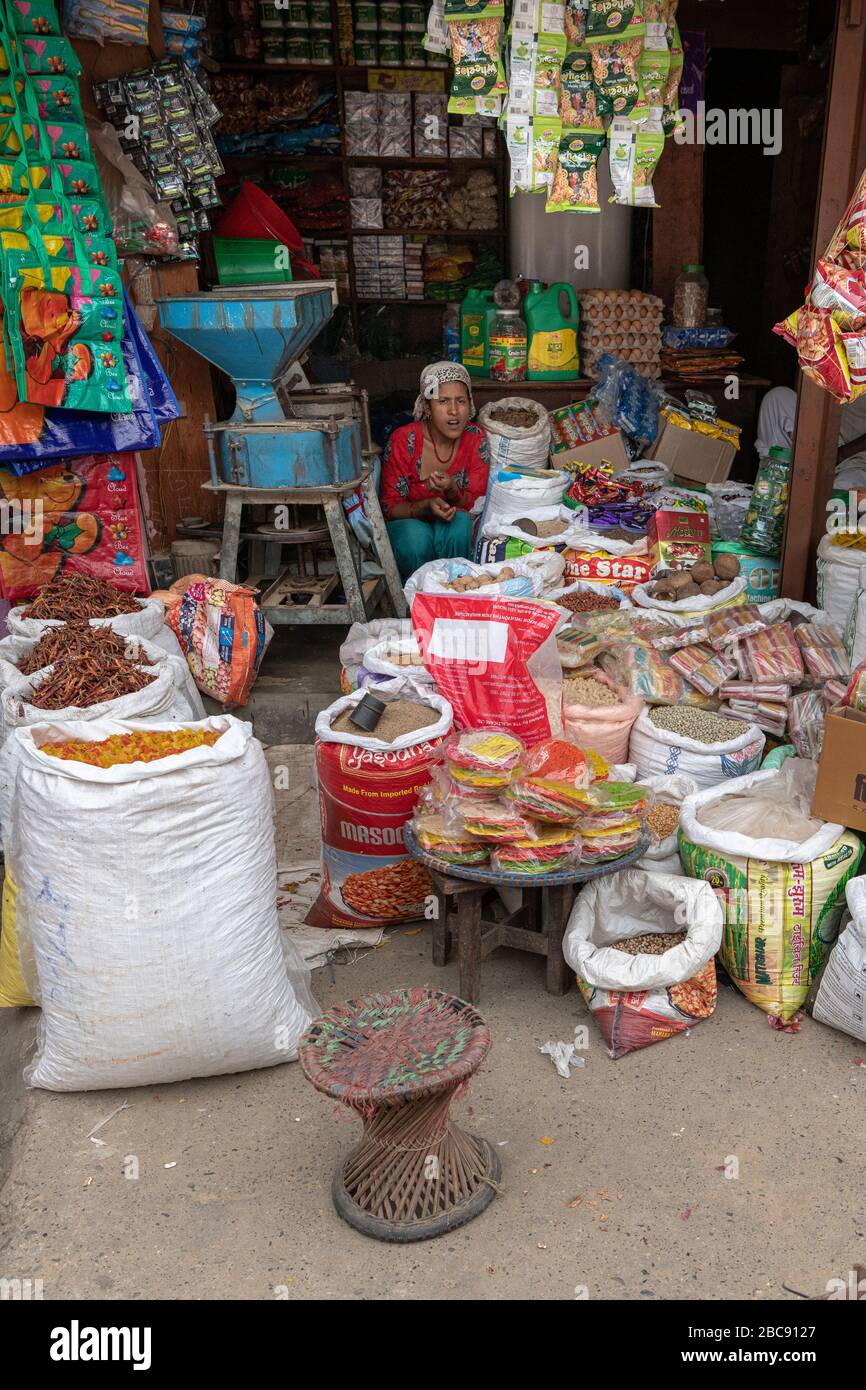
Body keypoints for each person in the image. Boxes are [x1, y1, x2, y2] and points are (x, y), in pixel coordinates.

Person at [381, 361, 490, 580]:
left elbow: (477, 504)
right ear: (427, 408)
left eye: (461, 401)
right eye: (443, 402)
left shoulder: (475, 437)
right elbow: (389, 507)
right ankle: (415, 601)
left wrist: (451, 489)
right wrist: (424, 507)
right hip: (410, 524)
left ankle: (456, 594)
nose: (453, 411)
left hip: (452, 522)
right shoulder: (404, 440)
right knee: (415, 538)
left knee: (459, 526)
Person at [757, 384, 866, 488]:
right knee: (777, 398)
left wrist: (839, 454)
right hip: (819, 434)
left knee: (838, 492)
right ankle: (775, 480)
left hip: (857, 458)